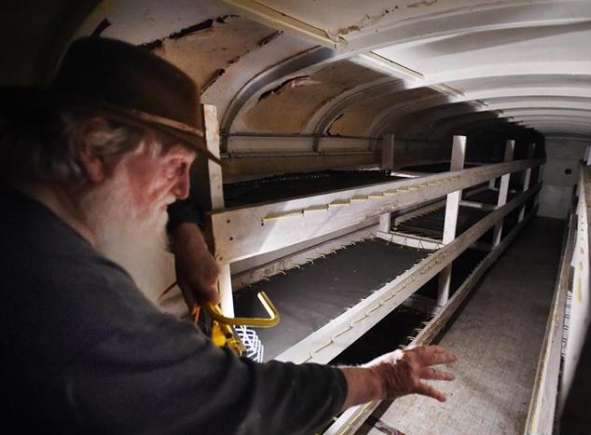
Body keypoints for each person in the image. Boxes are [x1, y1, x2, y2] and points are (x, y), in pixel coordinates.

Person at [0, 37, 456, 434]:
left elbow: (175, 199)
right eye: (176, 166)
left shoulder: (26, 222)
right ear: (92, 146)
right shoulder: (72, 300)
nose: (181, 188)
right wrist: (382, 378)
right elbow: (240, 405)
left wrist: (185, 233)